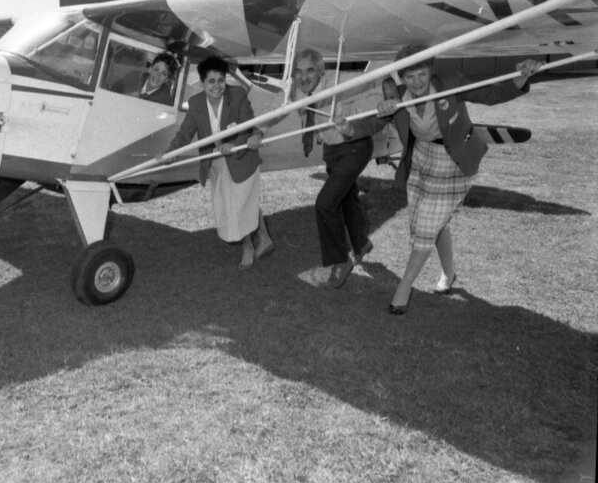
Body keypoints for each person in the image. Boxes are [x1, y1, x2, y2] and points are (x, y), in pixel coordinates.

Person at [349, 44, 541, 314]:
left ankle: (402, 290)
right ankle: (449, 275)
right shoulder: (399, 97)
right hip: (421, 160)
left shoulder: (452, 84)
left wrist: (521, 76)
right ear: (402, 78)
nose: (416, 83)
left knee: (426, 229)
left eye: (422, 75)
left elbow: (492, 93)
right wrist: (350, 128)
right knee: (429, 224)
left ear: (431, 72)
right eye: (409, 77)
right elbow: (375, 122)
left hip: (454, 160)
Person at [164, 56, 273, 270]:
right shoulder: (196, 103)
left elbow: (248, 128)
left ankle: (248, 247)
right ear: (202, 83)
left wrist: (234, 143)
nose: (217, 86)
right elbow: (185, 133)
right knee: (240, 201)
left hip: (240, 158)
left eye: (221, 80)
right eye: (211, 81)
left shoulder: (238, 95)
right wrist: (170, 153)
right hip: (215, 162)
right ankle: (265, 238)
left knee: (237, 203)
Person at [291, 47, 375, 289]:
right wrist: (257, 131)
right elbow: (276, 106)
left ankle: (338, 262)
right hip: (332, 149)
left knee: (325, 203)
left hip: (355, 145)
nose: (303, 77)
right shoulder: (298, 90)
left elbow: (373, 86)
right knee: (346, 197)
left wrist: (389, 87)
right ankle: (361, 243)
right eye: (298, 72)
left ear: (321, 71)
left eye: (309, 71)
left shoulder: (339, 83)